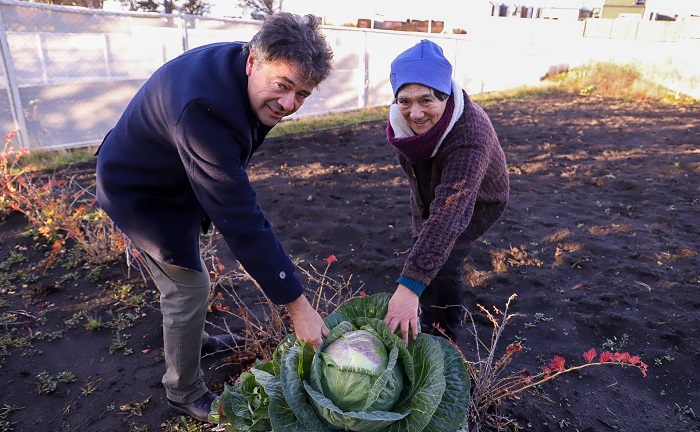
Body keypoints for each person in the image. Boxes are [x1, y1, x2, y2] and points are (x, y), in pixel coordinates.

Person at [95, 13, 333, 422]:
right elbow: (238, 214)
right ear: (253, 61)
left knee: (190, 278)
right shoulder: (203, 109)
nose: (290, 104)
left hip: (176, 179)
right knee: (186, 286)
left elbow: (230, 168)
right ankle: (183, 391)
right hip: (141, 191)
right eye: (283, 86)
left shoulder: (244, 73)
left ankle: (195, 339)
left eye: (303, 94)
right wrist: (299, 308)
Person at [382, 39, 509, 347]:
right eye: (405, 100)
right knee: (425, 245)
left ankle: (445, 335)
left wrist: (409, 286)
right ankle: (424, 304)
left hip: (477, 200)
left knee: (446, 265)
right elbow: (418, 181)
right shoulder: (401, 124)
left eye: (427, 100)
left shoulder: (470, 133)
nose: (416, 113)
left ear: (446, 94)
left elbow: (451, 212)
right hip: (431, 188)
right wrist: (422, 226)